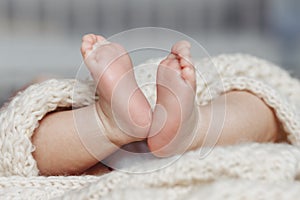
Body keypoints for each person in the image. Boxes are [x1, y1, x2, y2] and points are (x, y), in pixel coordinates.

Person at [31, 34, 280, 175]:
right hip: (193, 115)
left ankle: (107, 124)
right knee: (258, 105)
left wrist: (35, 88)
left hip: (96, 151)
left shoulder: (46, 82)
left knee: (31, 133)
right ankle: (195, 128)